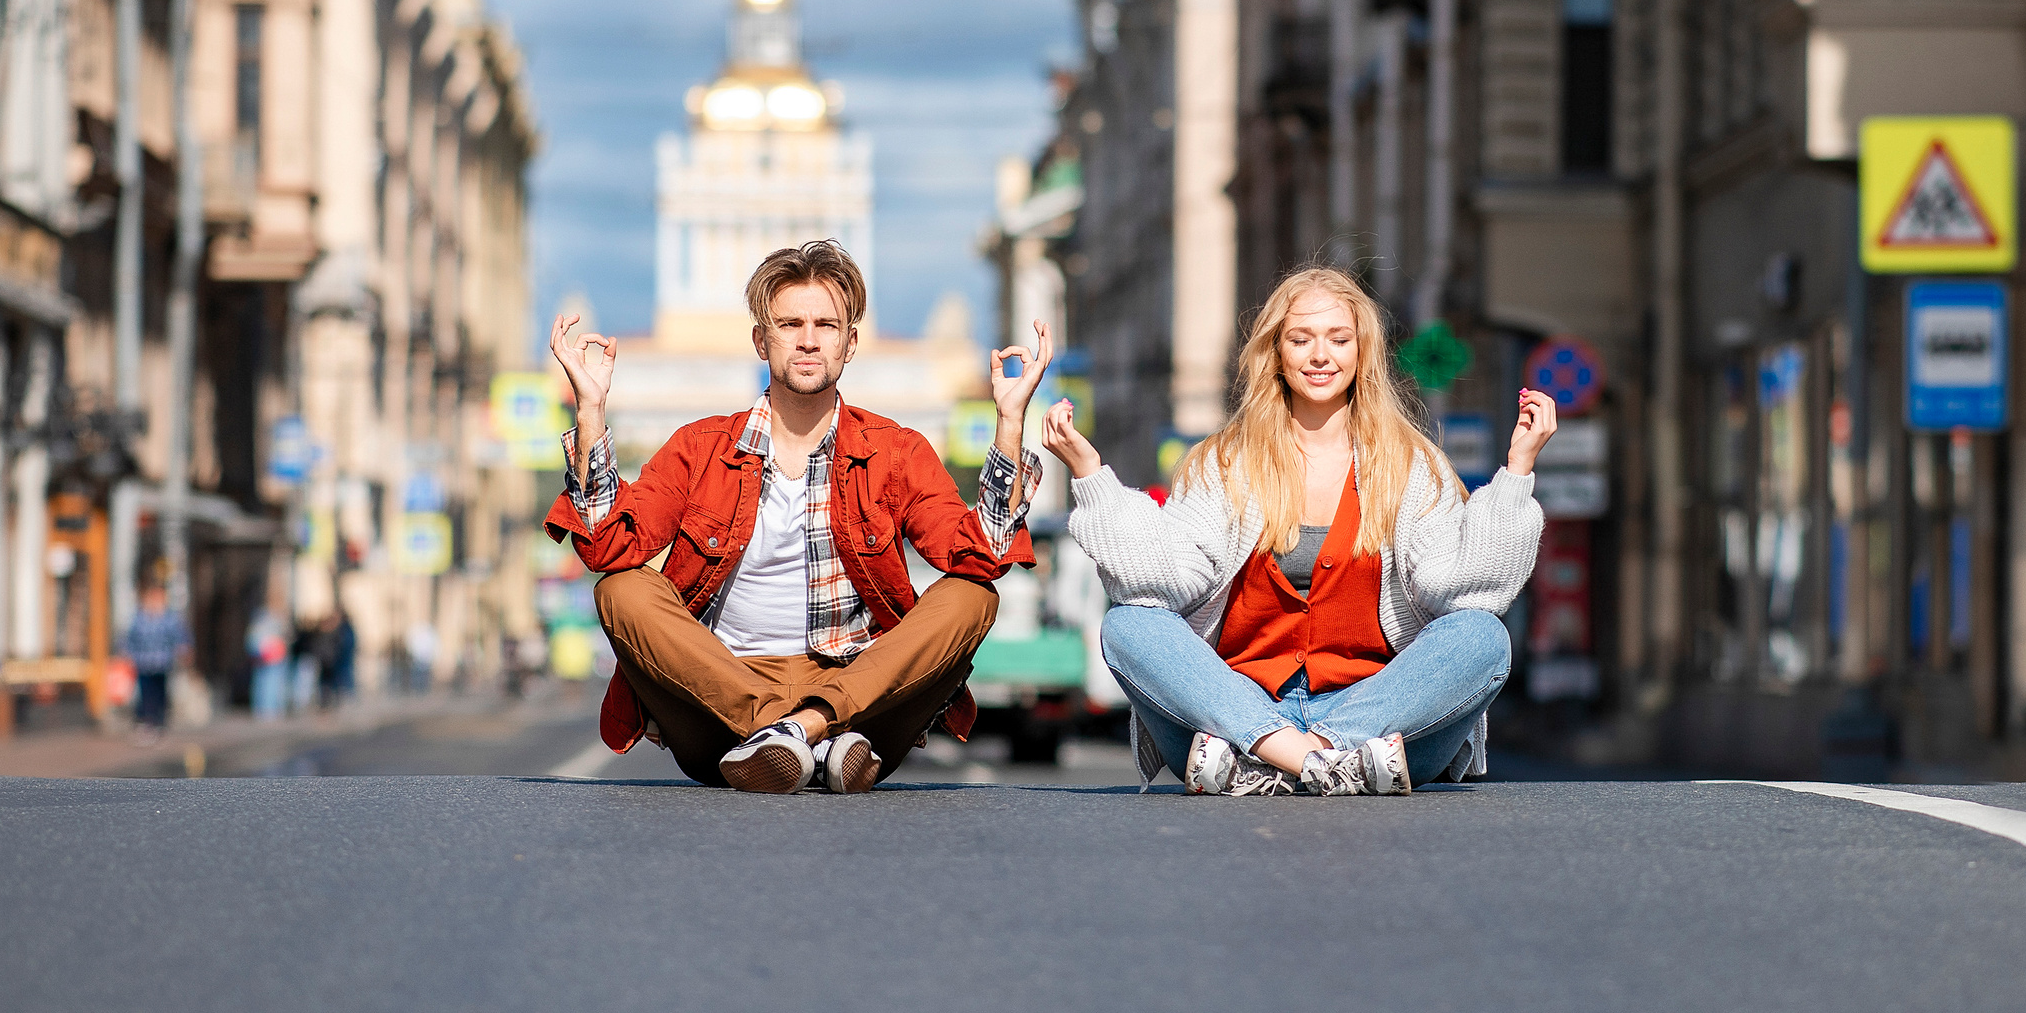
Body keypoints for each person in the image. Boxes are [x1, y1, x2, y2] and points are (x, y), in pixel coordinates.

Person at [546, 239, 1046, 793]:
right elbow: (606, 547)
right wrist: (590, 408)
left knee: (973, 595)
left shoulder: (896, 451)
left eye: (826, 325)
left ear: (851, 342)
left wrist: (1009, 420)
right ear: (761, 340)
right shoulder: (701, 447)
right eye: (790, 324)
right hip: (721, 699)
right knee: (621, 590)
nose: (809, 340)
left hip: (857, 689)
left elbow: (980, 556)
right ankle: (803, 739)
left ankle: (803, 729)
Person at [1043, 265, 1554, 796]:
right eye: (1300, 339)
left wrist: (1517, 471)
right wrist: (1090, 475)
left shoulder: (1410, 465)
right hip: (1237, 713)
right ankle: (1312, 761)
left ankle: (1283, 765)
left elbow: (1464, 590)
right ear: (1276, 352)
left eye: (1339, 339)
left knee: (1483, 637)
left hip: (1376, 719)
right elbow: (1163, 581)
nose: (1320, 356)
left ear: (1362, 353)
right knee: (1130, 626)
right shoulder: (1224, 462)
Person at [124, 582, 192, 736]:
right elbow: (129, 637)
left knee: (160, 692)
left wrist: (184, 650)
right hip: (143, 662)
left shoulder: (169, 618)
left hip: (162, 663)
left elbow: (180, 636)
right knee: (145, 692)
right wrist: (126, 653)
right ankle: (145, 721)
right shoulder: (139, 617)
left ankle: (159, 722)